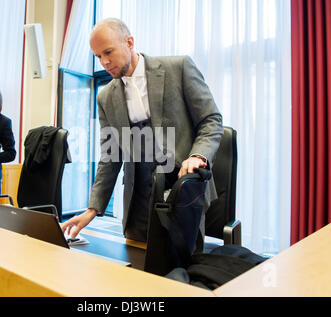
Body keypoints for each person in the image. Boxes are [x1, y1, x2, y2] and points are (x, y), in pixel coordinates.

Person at [61, 18, 223, 250]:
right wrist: (93, 209)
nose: (104, 62)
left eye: (108, 52)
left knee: (180, 270)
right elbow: (110, 157)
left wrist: (198, 156)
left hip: (181, 191)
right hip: (137, 200)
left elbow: (211, 120)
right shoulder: (105, 97)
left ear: (129, 42)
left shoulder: (179, 68)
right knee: (135, 269)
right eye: (98, 57)